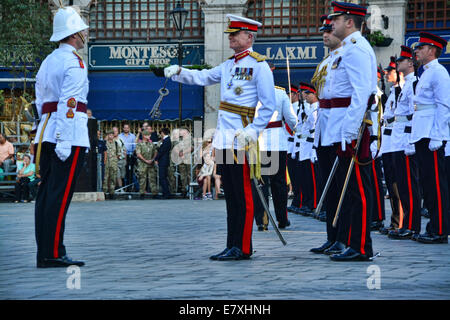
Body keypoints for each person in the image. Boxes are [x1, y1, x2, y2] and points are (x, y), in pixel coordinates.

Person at [164, 14, 276, 261]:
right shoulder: (228, 66)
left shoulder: (260, 66)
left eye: (235, 34)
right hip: (225, 139)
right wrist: (179, 71)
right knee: (231, 195)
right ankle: (232, 243)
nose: (231, 37)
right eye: (230, 34)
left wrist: (253, 131)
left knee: (243, 194)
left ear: (249, 36)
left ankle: (243, 246)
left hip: (242, 137)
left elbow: (268, 106)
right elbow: (202, 77)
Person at [312, 2, 377, 261]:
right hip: (342, 127)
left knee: (358, 190)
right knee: (349, 189)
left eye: (335, 20)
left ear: (349, 22)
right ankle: (352, 242)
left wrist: (349, 132)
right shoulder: (350, 49)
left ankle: (362, 246)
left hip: (351, 128)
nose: (332, 25)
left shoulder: (356, 50)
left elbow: (361, 94)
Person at [33, 6, 89, 268]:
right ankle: (54, 252)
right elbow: (69, 102)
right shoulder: (74, 62)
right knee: (59, 195)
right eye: (83, 29)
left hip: (46, 131)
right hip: (68, 134)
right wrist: (64, 140)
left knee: (46, 195)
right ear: (75, 34)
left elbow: (40, 100)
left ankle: (45, 251)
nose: (86, 33)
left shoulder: (48, 60)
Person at [411, 32, 449, 244]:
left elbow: (444, 105)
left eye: (421, 47)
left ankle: (440, 229)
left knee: (436, 184)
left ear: (432, 50)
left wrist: (437, 135)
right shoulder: (424, 73)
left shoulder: (439, 73)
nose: (416, 50)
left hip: (431, 135)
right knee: (427, 183)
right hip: (422, 132)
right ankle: (434, 226)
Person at [387, 46, 422, 240]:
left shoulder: (414, 84)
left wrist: (410, 141)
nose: (398, 63)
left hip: (406, 140)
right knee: (402, 184)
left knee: (409, 185)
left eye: (401, 61)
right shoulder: (404, 85)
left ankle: (412, 225)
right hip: (398, 139)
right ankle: (406, 223)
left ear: (410, 63)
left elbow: (413, 115)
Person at [254, 81, 297, 231]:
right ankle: (282, 219)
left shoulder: (252, 92)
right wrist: (295, 129)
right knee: (279, 183)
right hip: (277, 142)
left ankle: (262, 220)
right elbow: (291, 118)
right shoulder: (280, 93)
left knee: (261, 182)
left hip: (259, 142)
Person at [136, 130, 158, 198]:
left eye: (149, 135)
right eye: (148, 135)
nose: (149, 136)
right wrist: (145, 160)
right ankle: (142, 193)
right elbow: (138, 154)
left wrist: (152, 159)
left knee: (152, 178)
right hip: (142, 164)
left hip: (151, 164)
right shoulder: (140, 144)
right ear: (144, 136)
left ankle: (154, 193)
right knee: (142, 179)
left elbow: (155, 152)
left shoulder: (151, 144)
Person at [154, 127, 172, 199]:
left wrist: (156, 158)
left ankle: (166, 193)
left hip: (163, 161)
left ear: (162, 133)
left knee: (162, 177)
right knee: (163, 177)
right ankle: (165, 192)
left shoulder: (166, 140)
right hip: (164, 161)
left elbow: (162, 151)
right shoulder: (166, 140)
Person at [119, 123, 137, 191]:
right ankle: (123, 187)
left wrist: (133, 154)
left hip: (131, 156)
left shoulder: (132, 136)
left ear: (129, 128)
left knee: (131, 172)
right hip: (122, 156)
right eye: (125, 128)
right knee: (123, 173)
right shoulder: (120, 136)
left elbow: (134, 146)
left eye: (127, 128)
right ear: (123, 128)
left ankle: (130, 187)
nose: (126, 129)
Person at [103, 130, 119, 199]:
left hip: (113, 163)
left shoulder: (116, 143)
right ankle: (104, 192)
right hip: (106, 163)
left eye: (112, 135)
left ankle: (112, 193)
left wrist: (115, 159)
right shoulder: (104, 143)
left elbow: (118, 153)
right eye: (109, 135)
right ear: (107, 135)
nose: (111, 136)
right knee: (105, 178)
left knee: (113, 178)